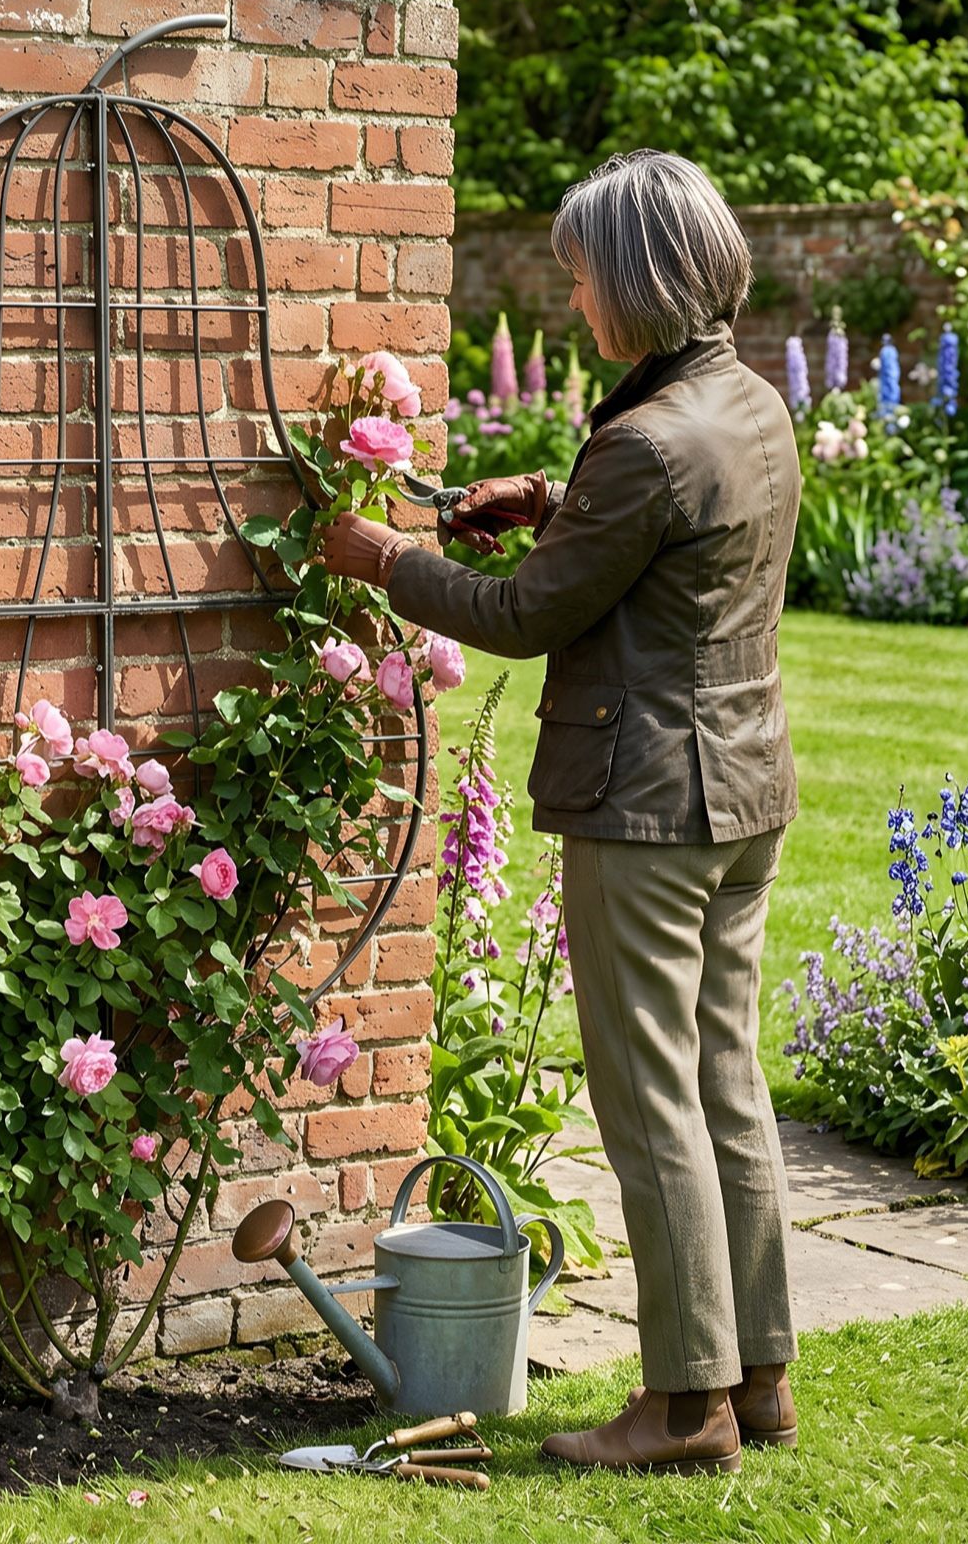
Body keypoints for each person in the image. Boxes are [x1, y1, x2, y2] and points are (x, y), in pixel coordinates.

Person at [323, 150, 802, 1475]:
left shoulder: (646, 441)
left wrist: (384, 558)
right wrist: (551, 499)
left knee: (650, 1103)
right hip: (745, 791)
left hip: (647, 804)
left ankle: (684, 1406)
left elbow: (524, 614)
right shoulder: (744, 404)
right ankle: (758, 1379)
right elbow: (667, 540)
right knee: (725, 1084)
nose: (571, 298)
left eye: (583, 273)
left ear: (640, 277)